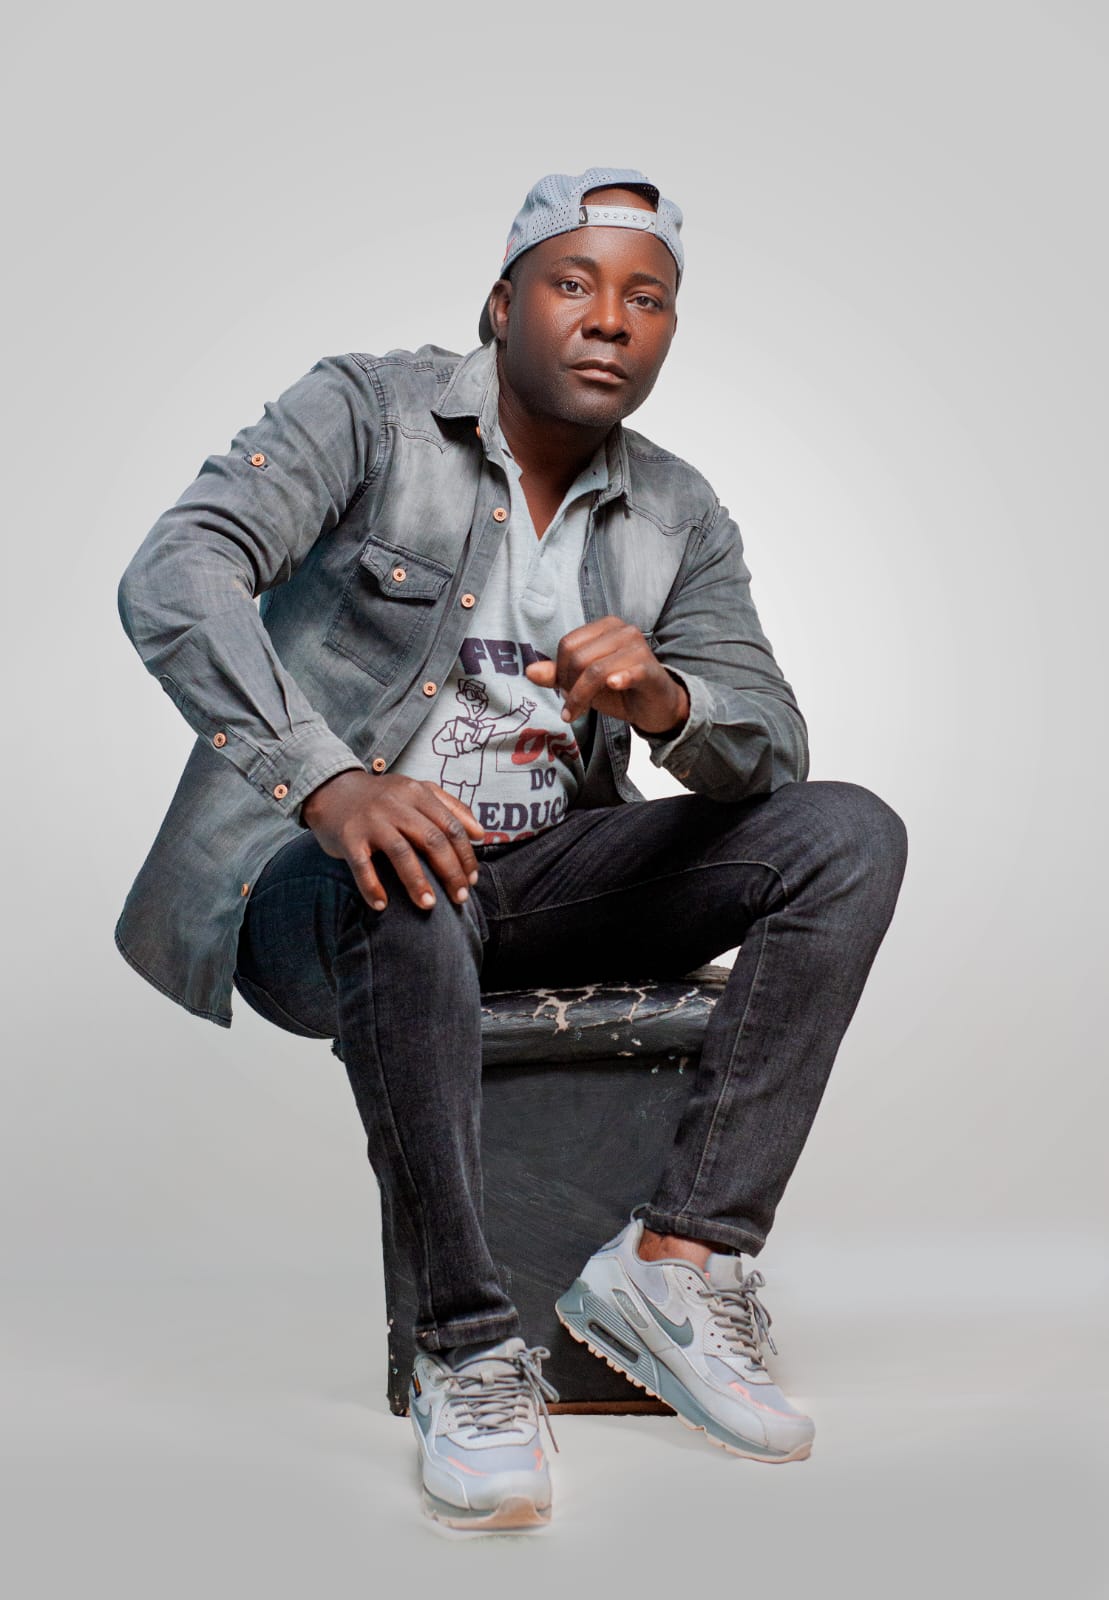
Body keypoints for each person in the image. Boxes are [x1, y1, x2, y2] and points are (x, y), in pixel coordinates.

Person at [115, 167, 908, 1532]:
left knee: (845, 835)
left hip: (535, 882)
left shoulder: (676, 512)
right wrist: (331, 783)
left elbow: (770, 743)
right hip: (317, 892)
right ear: (501, 302)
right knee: (409, 873)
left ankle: (677, 1265)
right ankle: (467, 1348)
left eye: (646, 299)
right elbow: (176, 573)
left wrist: (666, 700)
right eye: (572, 283)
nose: (608, 319)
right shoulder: (367, 413)